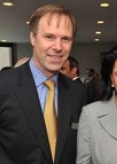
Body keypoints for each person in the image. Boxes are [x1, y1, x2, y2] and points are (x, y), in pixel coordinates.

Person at [0, 3, 89, 164]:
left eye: (66, 39)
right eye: (49, 37)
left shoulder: (78, 93)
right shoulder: (4, 85)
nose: (58, 47)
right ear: (33, 38)